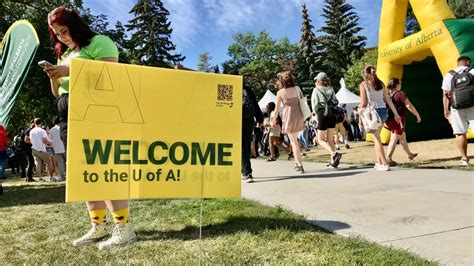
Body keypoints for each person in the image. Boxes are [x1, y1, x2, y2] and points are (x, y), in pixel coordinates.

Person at [44, 6, 136, 249]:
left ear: (76, 25)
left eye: (64, 31)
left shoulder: (100, 42)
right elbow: (58, 93)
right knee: (83, 172)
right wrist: (55, 77)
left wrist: (68, 71)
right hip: (67, 114)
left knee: (103, 167)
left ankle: (124, 226)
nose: (62, 37)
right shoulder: (64, 54)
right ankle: (98, 225)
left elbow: (109, 76)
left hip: (96, 111)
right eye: (57, 33)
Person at [359, 65, 400, 171]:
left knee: (377, 139)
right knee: (376, 137)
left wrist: (359, 109)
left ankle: (384, 163)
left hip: (372, 114)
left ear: (365, 74)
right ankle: (378, 162)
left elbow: (363, 103)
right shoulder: (381, 84)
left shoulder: (364, 85)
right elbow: (388, 100)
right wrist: (396, 114)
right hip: (383, 112)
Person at [441, 56, 474, 166]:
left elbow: (445, 95)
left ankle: (464, 158)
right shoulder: (472, 71)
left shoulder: (449, 74)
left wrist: (446, 110)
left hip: (456, 107)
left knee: (460, 133)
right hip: (472, 105)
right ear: (468, 62)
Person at [273, 71, 306, 173]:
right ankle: (297, 162)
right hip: (299, 115)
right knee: (295, 140)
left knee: (293, 142)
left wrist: (273, 120)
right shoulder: (297, 89)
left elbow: (277, 109)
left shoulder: (280, 93)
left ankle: (299, 165)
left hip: (289, 116)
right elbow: (303, 100)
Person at [385, 78, 421, 165]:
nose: (400, 85)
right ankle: (388, 158)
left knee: (402, 136)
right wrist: (417, 115)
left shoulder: (388, 95)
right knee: (394, 137)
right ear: (396, 85)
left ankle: (410, 155)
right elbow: (409, 105)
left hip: (388, 120)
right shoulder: (400, 94)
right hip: (398, 119)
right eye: (400, 84)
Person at [311, 72, 342, 168]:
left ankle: (334, 153)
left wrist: (315, 113)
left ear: (319, 81)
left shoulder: (316, 90)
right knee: (330, 139)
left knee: (320, 139)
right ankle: (333, 161)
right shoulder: (331, 89)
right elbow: (336, 100)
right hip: (332, 114)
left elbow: (315, 104)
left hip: (322, 113)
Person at [241, 82, 263, 183]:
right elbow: (255, 105)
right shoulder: (248, 90)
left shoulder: (230, 87)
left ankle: (247, 172)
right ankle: (245, 169)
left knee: (242, 147)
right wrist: (260, 119)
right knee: (246, 145)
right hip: (249, 121)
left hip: (236, 120)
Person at [50, 116, 66, 181]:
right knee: (68, 162)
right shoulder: (64, 127)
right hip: (65, 147)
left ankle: (62, 177)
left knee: (60, 164)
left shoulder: (52, 130)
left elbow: (51, 139)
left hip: (56, 149)